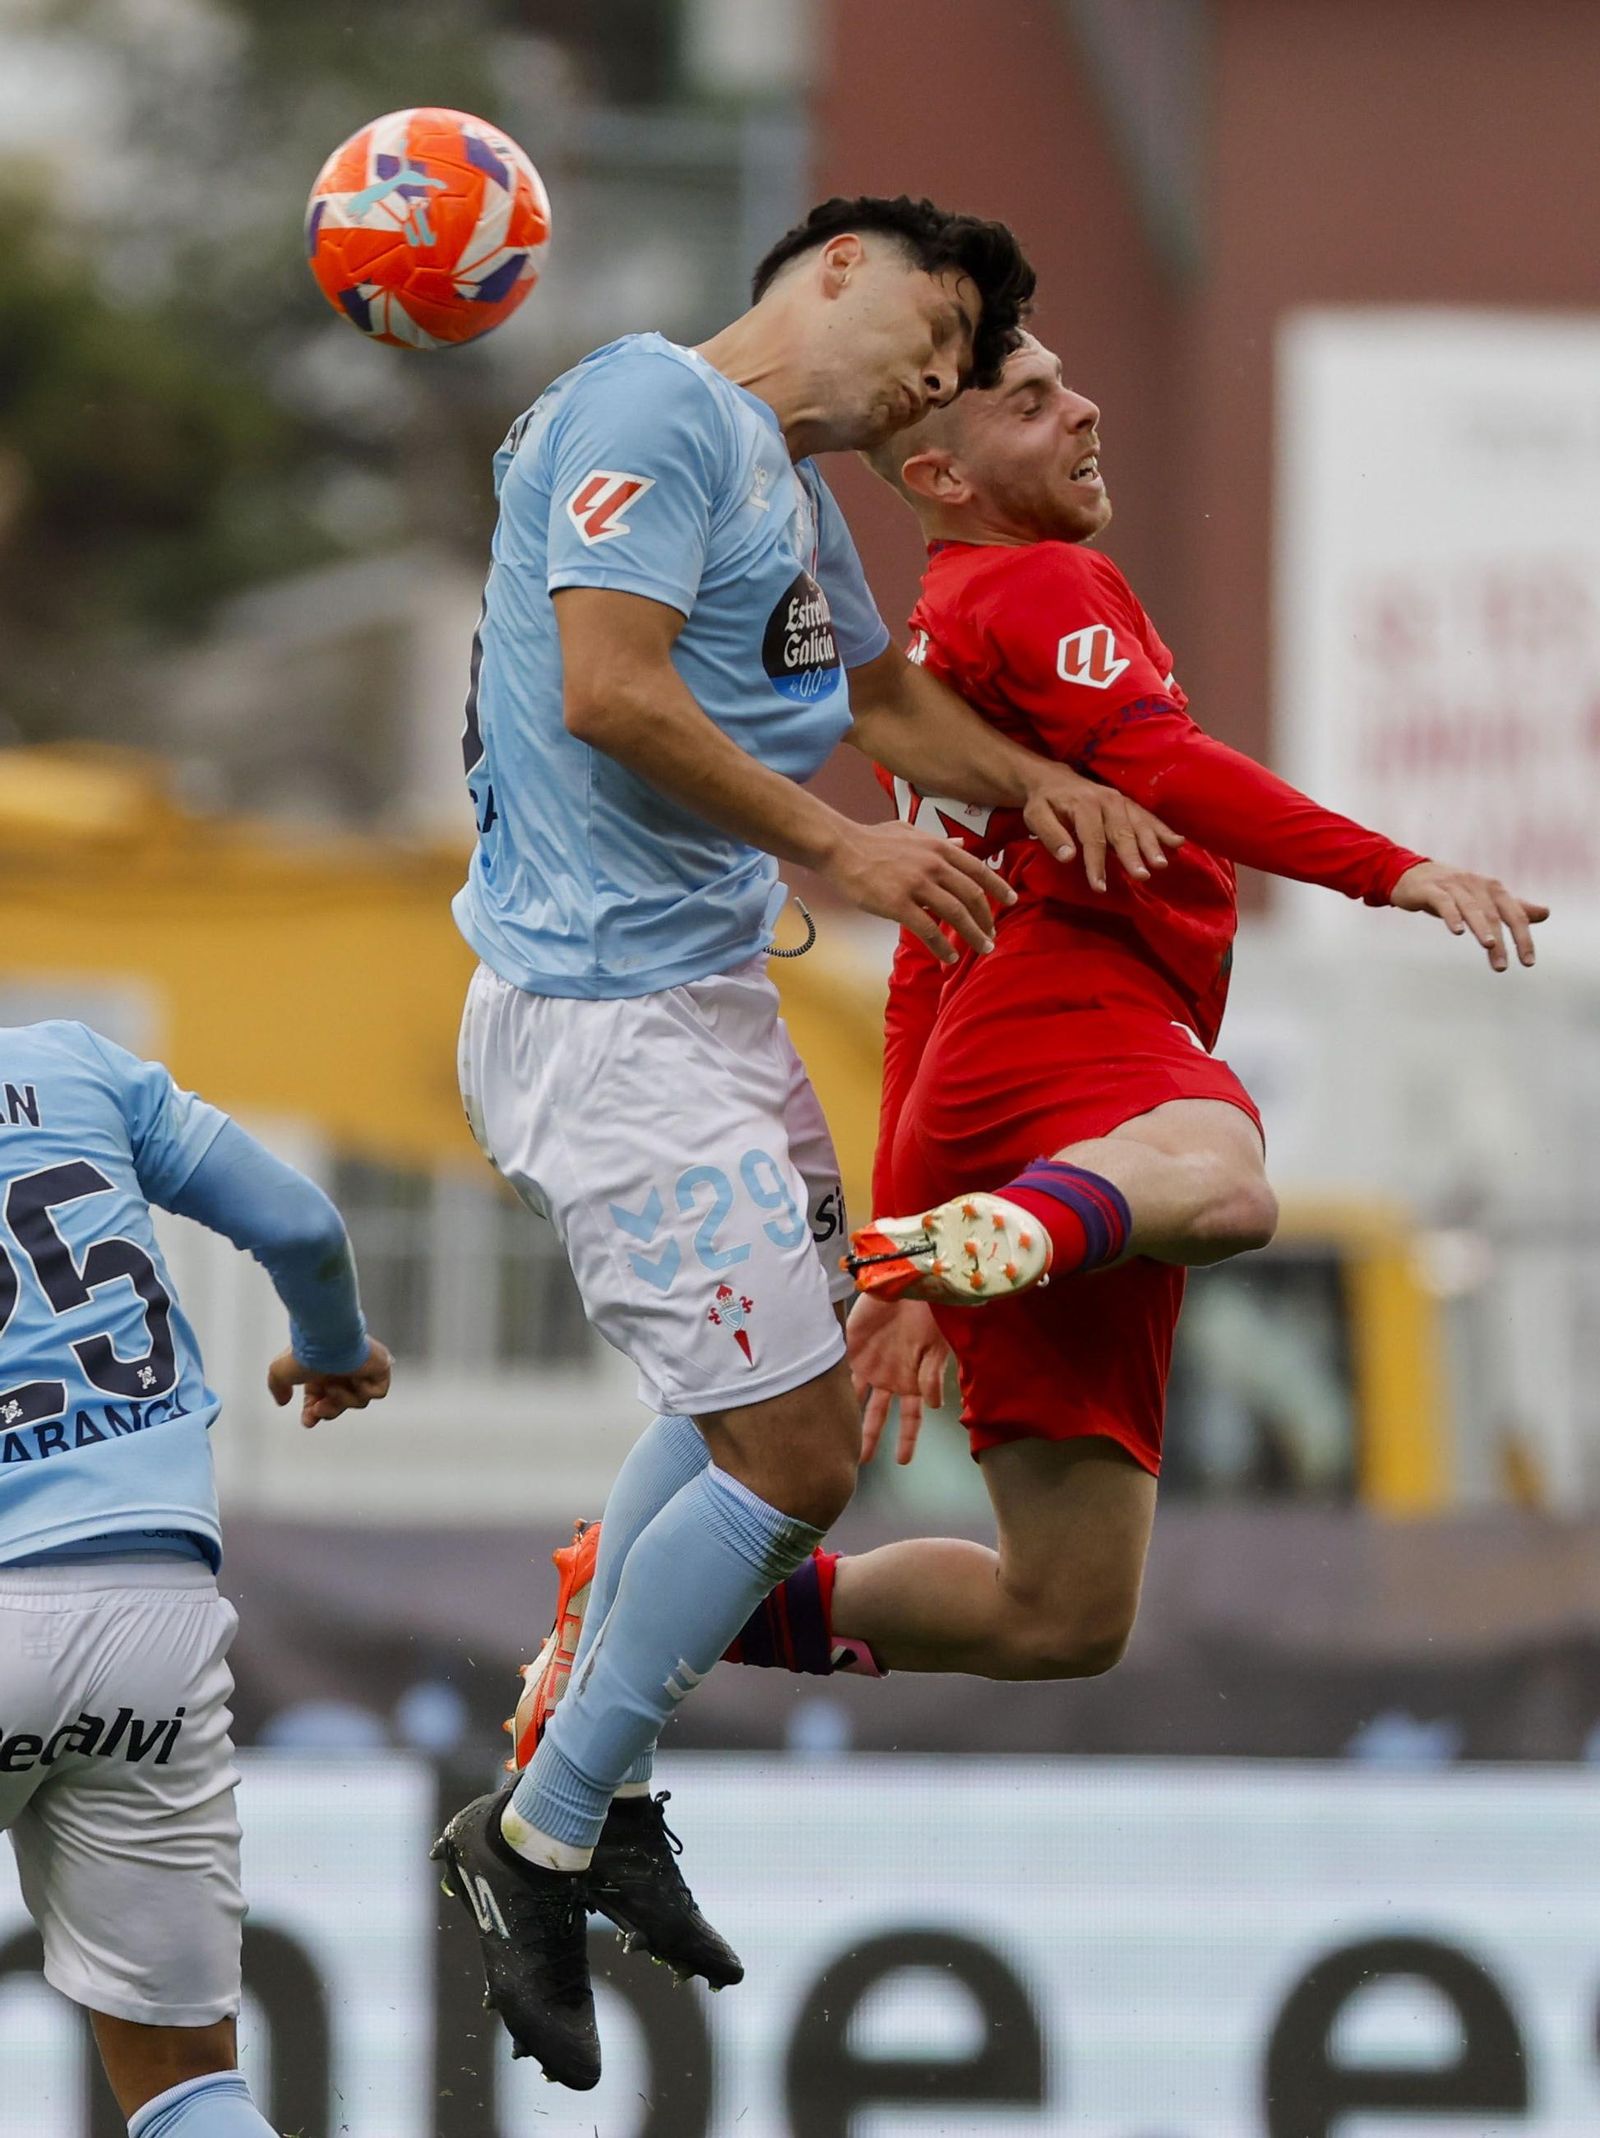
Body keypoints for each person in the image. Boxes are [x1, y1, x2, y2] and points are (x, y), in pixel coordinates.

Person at [431, 196, 1178, 2091]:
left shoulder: (780, 484)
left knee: (771, 1399)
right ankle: (542, 1829)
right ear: (835, 265)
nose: (946, 371)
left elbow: (879, 698)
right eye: (944, 323)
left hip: (707, 1007)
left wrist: (1062, 791)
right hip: (605, 1024)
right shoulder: (651, 408)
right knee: (801, 1458)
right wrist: (841, 845)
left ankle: (599, 1783)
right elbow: (610, 689)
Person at [716, 329, 1545, 1690]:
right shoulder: (1036, 580)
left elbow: (924, 964)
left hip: (985, 1084)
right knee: (1227, 1188)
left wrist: (909, 1255)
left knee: (1062, 1611)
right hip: (1070, 1004)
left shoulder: (939, 644)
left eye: (1068, 385)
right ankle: (1035, 1224)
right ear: (940, 475)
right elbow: (1165, 764)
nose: (1085, 411)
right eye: (1033, 403)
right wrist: (1393, 870)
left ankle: (656, 1613)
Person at [0, 1020, 390, 2138]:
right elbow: (301, 1224)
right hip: (154, 1621)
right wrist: (332, 1345)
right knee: (187, 2085)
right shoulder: (73, 1064)